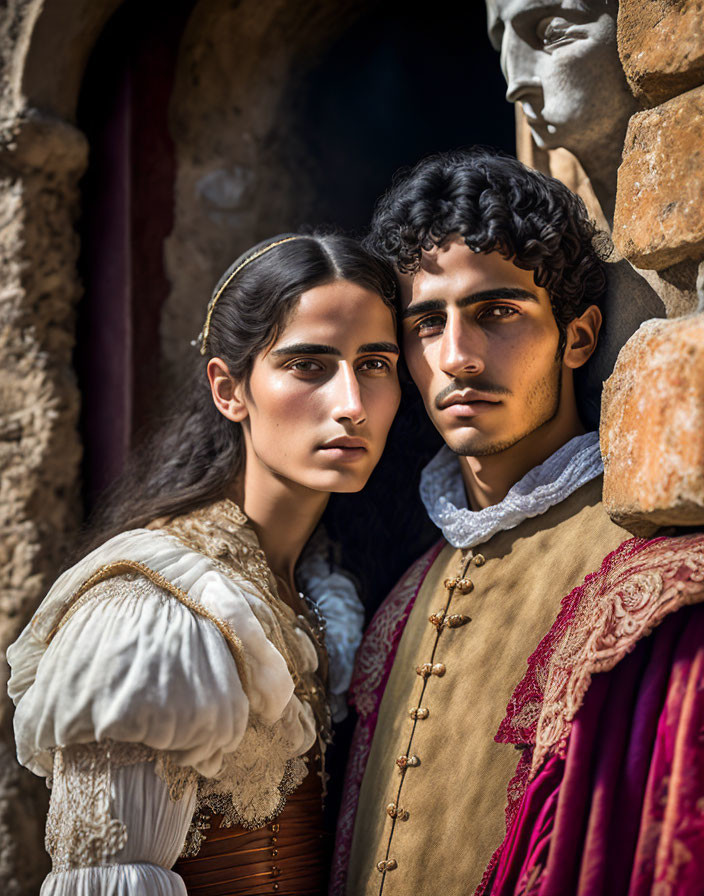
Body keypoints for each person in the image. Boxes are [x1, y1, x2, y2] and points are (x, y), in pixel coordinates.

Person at [332, 149, 704, 895]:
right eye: (426, 322)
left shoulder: (648, 577)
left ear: (578, 336)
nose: (457, 356)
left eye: (496, 312)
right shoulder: (403, 596)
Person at [7, 233, 402, 896]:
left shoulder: (317, 586)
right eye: (309, 366)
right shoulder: (151, 612)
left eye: (375, 364)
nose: (352, 405)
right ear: (229, 389)